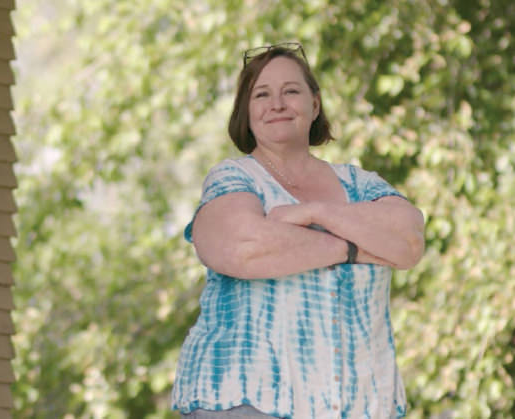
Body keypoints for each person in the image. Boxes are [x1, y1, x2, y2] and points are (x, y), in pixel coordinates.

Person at [171, 42, 425, 419]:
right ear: (247, 111)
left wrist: (312, 212)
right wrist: (353, 249)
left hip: (359, 407)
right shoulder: (235, 177)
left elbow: (408, 242)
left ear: (315, 105)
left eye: (291, 91)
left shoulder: (360, 183)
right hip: (245, 403)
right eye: (261, 94)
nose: (277, 104)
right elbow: (244, 247)